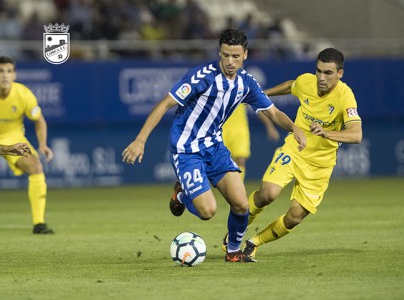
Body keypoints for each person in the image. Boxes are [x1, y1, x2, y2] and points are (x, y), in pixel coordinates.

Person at [122, 28, 306, 263]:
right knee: (208, 212)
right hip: (186, 148)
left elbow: (273, 112)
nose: (230, 62)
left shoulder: (245, 83)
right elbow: (165, 103)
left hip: (214, 147)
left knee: (241, 204)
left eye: (235, 56)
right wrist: (140, 140)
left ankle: (232, 252)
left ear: (245, 55)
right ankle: (180, 196)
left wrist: (294, 128)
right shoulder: (202, 77)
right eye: (225, 55)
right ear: (219, 53)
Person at [241, 48, 362, 258]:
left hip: (320, 165)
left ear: (340, 73)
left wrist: (326, 132)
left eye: (328, 73)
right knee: (268, 193)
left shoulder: (345, 97)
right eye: (318, 71)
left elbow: (356, 135)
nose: (321, 78)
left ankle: (254, 243)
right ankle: (235, 233)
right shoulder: (307, 81)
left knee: (294, 217)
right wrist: (262, 94)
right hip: (295, 149)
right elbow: (291, 86)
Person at [0, 56, 55, 234]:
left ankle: (39, 224)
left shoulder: (23, 94)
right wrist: (6, 149)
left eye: (9, 71)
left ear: (14, 75)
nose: (5, 75)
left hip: (14, 137)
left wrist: (42, 144)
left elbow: (39, 120)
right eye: (0, 71)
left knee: (36, 166)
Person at [222, 104, 280, 181]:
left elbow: (257, 108)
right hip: (221, 130)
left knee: (240, 159)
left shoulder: (242, 92)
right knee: (220, 162)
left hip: (240, 130)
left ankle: (239, 186)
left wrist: (269, 126)